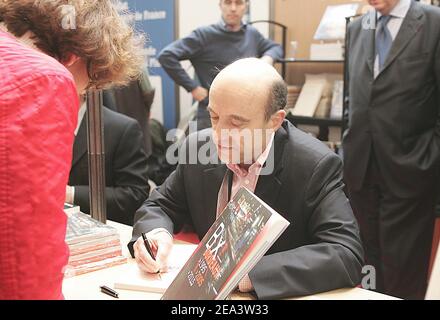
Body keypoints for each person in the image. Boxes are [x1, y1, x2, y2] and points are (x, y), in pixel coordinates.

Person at [129, 58, 364, 299]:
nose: (219, 134)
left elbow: (345, 253)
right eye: (214, 117)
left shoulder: (313, 164)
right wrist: (156, 235)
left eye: (236, 123)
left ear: (275, 121)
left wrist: (245, 274)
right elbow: (160, 205)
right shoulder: (198, 149)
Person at [0, 0, 144, 299]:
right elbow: (26, 262)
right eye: (91, 82)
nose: (84, 93)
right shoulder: (42, 79)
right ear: (73, 56)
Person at [344, 0, 440, 299]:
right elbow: (353, 94)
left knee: (403, 265)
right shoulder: (358, 26)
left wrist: (429, 154)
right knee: (367, 263)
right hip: (361, 166)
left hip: (412, 166)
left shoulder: (433, 22)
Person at [158, 0, 283, 131]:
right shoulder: (204, 35)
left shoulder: (252, 34)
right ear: (221, 5)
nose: (233, 8)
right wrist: (192, 87)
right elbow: (166, 56)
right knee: (208, 151)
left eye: (239, 3)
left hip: (246, 114)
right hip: (212, 116)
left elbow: (275, 47)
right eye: (228, 2)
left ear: (246, 6)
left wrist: (267, 59)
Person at [66, 97, 149, 226]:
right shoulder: (38, 126)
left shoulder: (120, 128)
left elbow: (134, 195)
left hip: (100, 230)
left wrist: (71, 194)